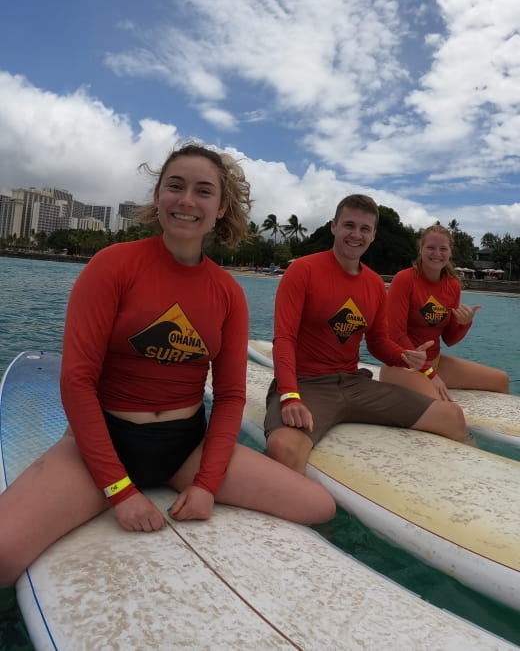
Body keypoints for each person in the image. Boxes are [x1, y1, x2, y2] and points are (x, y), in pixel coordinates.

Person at [0, 142, 335, 587]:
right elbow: (77, 381)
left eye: (203, 191)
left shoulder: (227, 292)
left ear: (220, 209)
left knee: (317, 505)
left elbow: (233, 395)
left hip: (184, 447)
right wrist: (118, 490)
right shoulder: (112, 266)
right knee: (3, 556)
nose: (186, 201)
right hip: (104, 440)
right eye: (175, 186)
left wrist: (206, 484)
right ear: (157, 196)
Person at [265, 194, 469, 474]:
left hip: (354, 384)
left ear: (373, 235)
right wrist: (289, 395)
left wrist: (405, 357)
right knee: (284, 448)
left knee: (452, 416)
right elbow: (284, 337)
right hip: (307, 384)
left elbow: (378, 343)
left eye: (365, 229)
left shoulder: (374, 283)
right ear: (334, 226)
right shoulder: (303, 270)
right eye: (349, 225)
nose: (356, 234)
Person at [379, 224, 509, 399]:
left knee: (501, 380)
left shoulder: (452, 285)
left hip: (435, 363)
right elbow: (395, 335)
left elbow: (449, 339)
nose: (437, 254)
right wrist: (429, 375)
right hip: (402, 365)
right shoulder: (404, 279)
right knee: (442, 405)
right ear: (421, 248)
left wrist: (465, 323)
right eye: (431, 248)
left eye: (443, 249)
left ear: (450, 252)